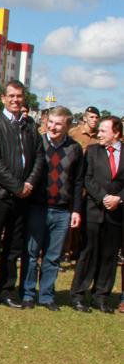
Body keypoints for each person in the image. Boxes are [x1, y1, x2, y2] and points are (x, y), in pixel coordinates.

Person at [0, 81, 44, 310]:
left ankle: (5, 290)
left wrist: (29, 184)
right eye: (11, 96)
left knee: (14, 247)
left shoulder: (30, 125)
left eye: (19, 96)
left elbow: (39, 158)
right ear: (3, 98)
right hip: (1, 194)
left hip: (24, 196)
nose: (15, 100)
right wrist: (16, 186)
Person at [21, 106, 83, 311]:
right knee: (31, 253)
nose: (53, 127)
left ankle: (46, 296)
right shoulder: (37, 143)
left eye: (59, 124)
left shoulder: (75, 148)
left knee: (53, 256)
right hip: (37, 207)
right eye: (51, 122)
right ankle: (28, 293)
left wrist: (76, 210)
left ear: (67, 126)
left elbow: (77, 182)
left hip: (62, 210)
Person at [70, 116, 123, 314]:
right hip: (94, 210)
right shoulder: (92, 151)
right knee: (88, 253)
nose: (98, 134)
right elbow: (87, 178)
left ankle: (100, 296)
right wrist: (103, 197)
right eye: (98, 130)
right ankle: (78, 294)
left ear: (116, 133)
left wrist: (118, 198)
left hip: (117, 213)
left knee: (109, 256)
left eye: (103, 131)